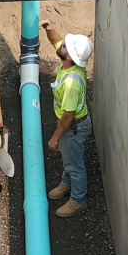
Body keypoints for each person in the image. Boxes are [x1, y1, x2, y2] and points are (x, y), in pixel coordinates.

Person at [38, 19, 94, 217]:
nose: (61, 44)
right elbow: (57, 42)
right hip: (72, 126)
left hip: (73, 128)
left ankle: (78, 200)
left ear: (69, 56)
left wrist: (54, 137)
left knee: (75, 165)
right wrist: (50, 29)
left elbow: (68, 117)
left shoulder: (71, 83)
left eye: (66, 46)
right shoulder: (70, 61)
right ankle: (67, 182)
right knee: (69, 157)